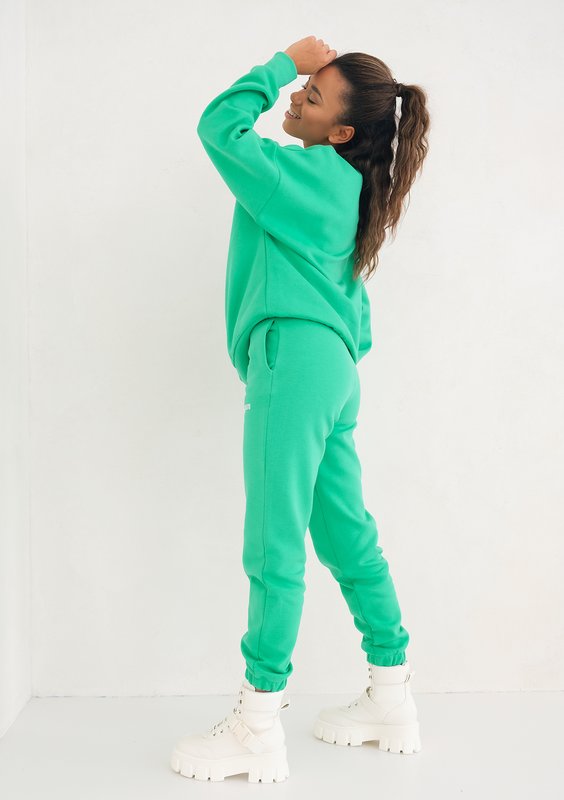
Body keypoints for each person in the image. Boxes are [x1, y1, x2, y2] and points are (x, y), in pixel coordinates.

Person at [171, 35, 431, 783]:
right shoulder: (351, 189)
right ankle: (391, 693)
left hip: (293, 363)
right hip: (334, 372)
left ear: (341, 131)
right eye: (300, 86)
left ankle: (257, 723)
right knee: (347, 534)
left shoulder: (297, 174)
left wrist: (283, 61)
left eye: (312, 97)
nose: (294, 97)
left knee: (272, 543)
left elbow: (218, 126)